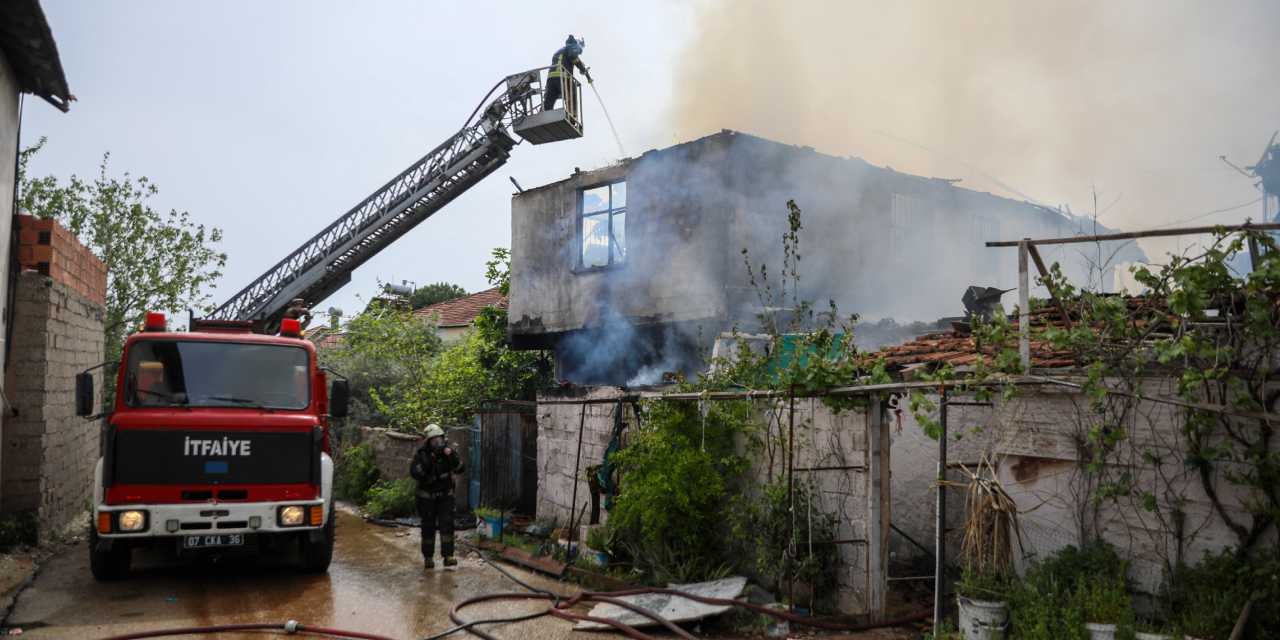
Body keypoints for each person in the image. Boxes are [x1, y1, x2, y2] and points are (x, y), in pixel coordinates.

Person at [409, 423, 465, 569]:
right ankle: (428, 557)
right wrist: (430, 460)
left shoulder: (448, 453)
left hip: (445, 497)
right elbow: (415, 473)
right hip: (427, 498)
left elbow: (460, 468)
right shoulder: (421, 454)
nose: (437, 442)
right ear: (428, 441)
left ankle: (448, 556)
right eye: (433, 440)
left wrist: (451, 455)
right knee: (428, 528)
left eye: (439, 439)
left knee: (447, 525)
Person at [544, 35, 592, 111]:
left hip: (551, 80)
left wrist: (582, 68)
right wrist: (583, 69)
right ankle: (572, 116)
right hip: (563, 78)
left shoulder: (559, 51)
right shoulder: (572, 47)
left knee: (549, 100)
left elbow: (570, 59)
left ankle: (545, 114)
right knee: (571, 94)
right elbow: (574, 57)